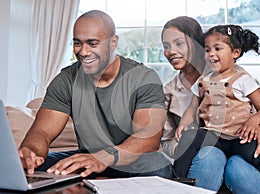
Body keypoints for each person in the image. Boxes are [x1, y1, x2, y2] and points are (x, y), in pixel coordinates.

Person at [18, 10, 172, 179]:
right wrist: (30, 152)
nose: (83, 52)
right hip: (87, 157)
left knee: (156, 165)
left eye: (92, 44)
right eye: (77, 43)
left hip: (131, 159)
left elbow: (148, 138)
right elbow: (42, 131)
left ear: (113, 43)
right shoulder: (66, 80)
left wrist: (105, 157)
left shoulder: (144, 78)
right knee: (22, 167)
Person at [161, 17, 260, 194]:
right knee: (211, 155)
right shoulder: (170, 91)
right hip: (202, 159)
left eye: (178, 43)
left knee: (236, 166)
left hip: (238, 146)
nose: (171, 51)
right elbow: (167, 141)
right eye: (166, 46)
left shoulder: (232, 72)